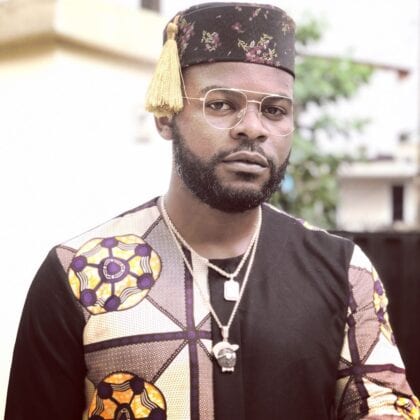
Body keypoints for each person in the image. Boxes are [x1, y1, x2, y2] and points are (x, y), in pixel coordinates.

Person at [5, 2, 419, 419]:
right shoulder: (79, 272)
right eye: (221, 104)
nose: (252, 128)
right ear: (166, 116)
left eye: (274, 110)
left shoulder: (343, 269)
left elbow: (384, 404)